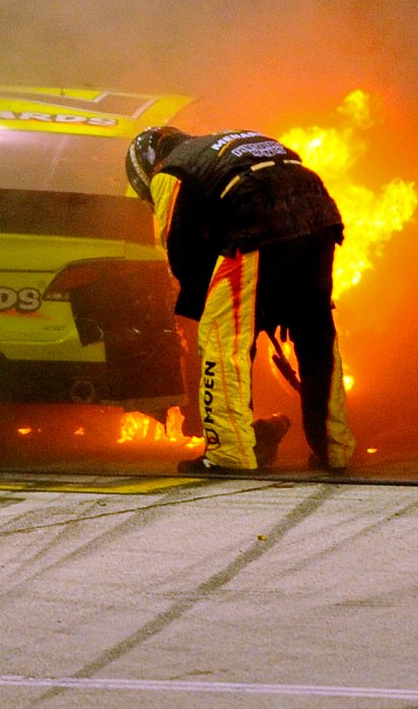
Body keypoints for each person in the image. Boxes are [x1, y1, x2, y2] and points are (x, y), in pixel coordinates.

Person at [125, 127, 355, 474]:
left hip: (255, 220)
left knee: (223, 338)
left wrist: (216, 308)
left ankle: (229, 453)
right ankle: (335, 449)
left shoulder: (171, 170)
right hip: (318, 214)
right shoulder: (220, 149)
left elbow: (179, 252)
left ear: (145, 169)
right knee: (315, 334)